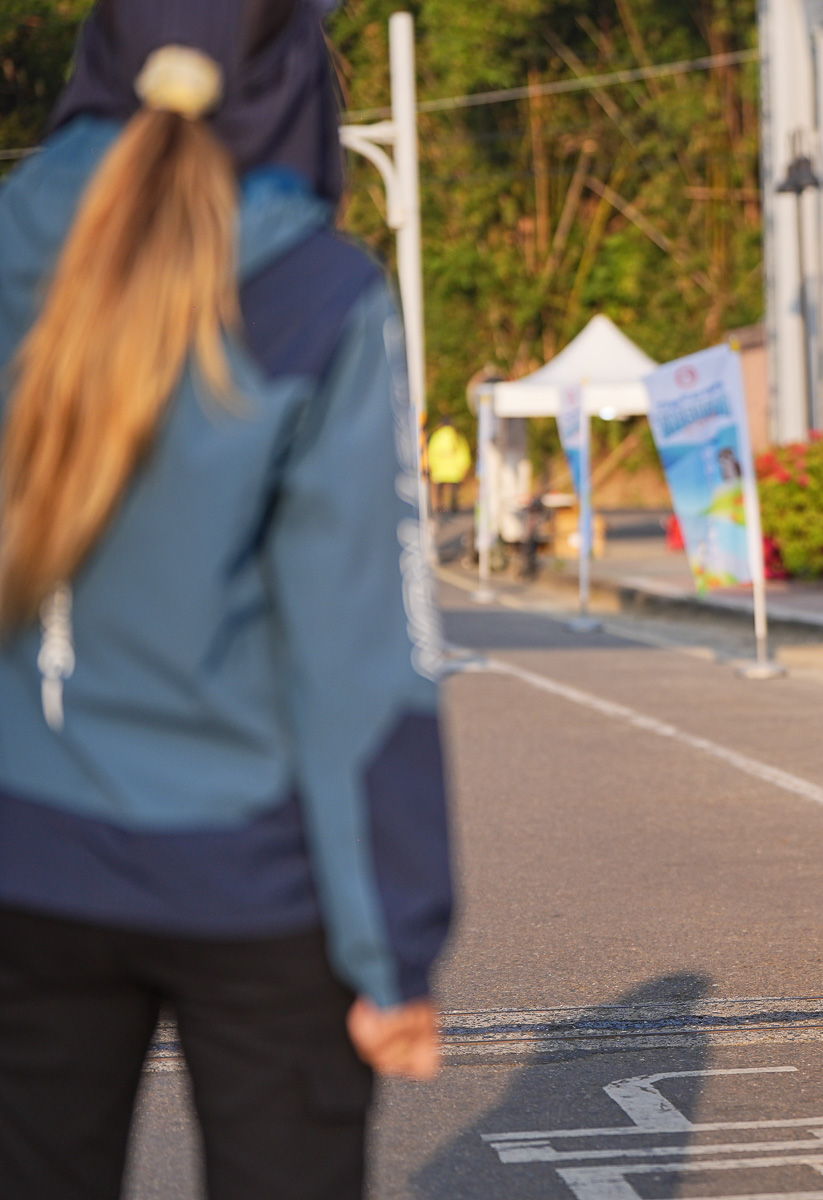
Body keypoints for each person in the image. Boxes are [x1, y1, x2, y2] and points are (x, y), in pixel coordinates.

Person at [0, 2, 454, 1196]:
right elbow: (361, 653)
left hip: (25, 855)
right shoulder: (318, 290)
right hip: (254, 877)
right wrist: (394, 946)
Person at [426, 421, 473, 513]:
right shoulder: (457, 436)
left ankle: (440, 509)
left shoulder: (436, 436)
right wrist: (464, 465)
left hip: (439, 470)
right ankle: (453, 509)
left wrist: (431, 466)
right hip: (454, 470)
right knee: (453, 492)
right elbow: (463, 452)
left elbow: (431, 453)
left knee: (440, 492)